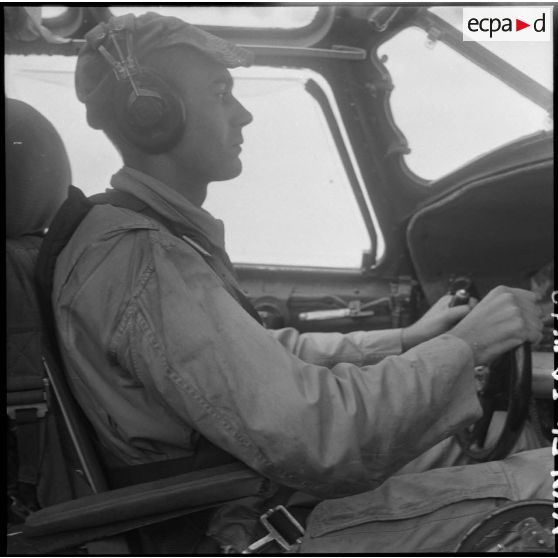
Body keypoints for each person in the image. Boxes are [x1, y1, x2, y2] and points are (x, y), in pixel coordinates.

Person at [52, 12, 551, 553]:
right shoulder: (141, 259)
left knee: (487, 436)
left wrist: (412, 340)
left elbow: (266, 358)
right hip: (238, 529)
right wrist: (468, 343)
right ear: (153, 114)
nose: (243, 115)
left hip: (251, 488)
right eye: (221, 93)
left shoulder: (148, 239)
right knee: (545, 483)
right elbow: (323, 436)